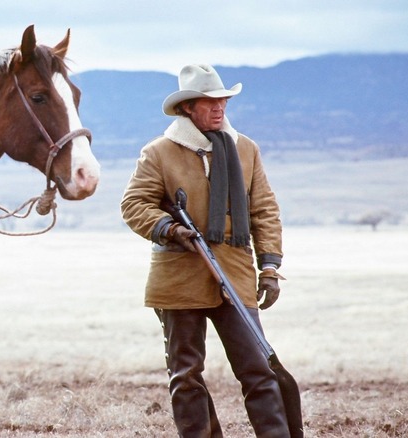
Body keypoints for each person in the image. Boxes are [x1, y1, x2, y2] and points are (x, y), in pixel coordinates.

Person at [120, 64, 290, 437]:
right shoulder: (159, 152)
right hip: (178, 277)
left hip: (235, 273)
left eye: (223, 100)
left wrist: (271, 267)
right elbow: (134, 204)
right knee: (186, 376)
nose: (220, 107)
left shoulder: (246, 149)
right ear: (187, 108)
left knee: (258, 369)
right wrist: (169, 228)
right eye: (210, 101)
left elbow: (264, 210)